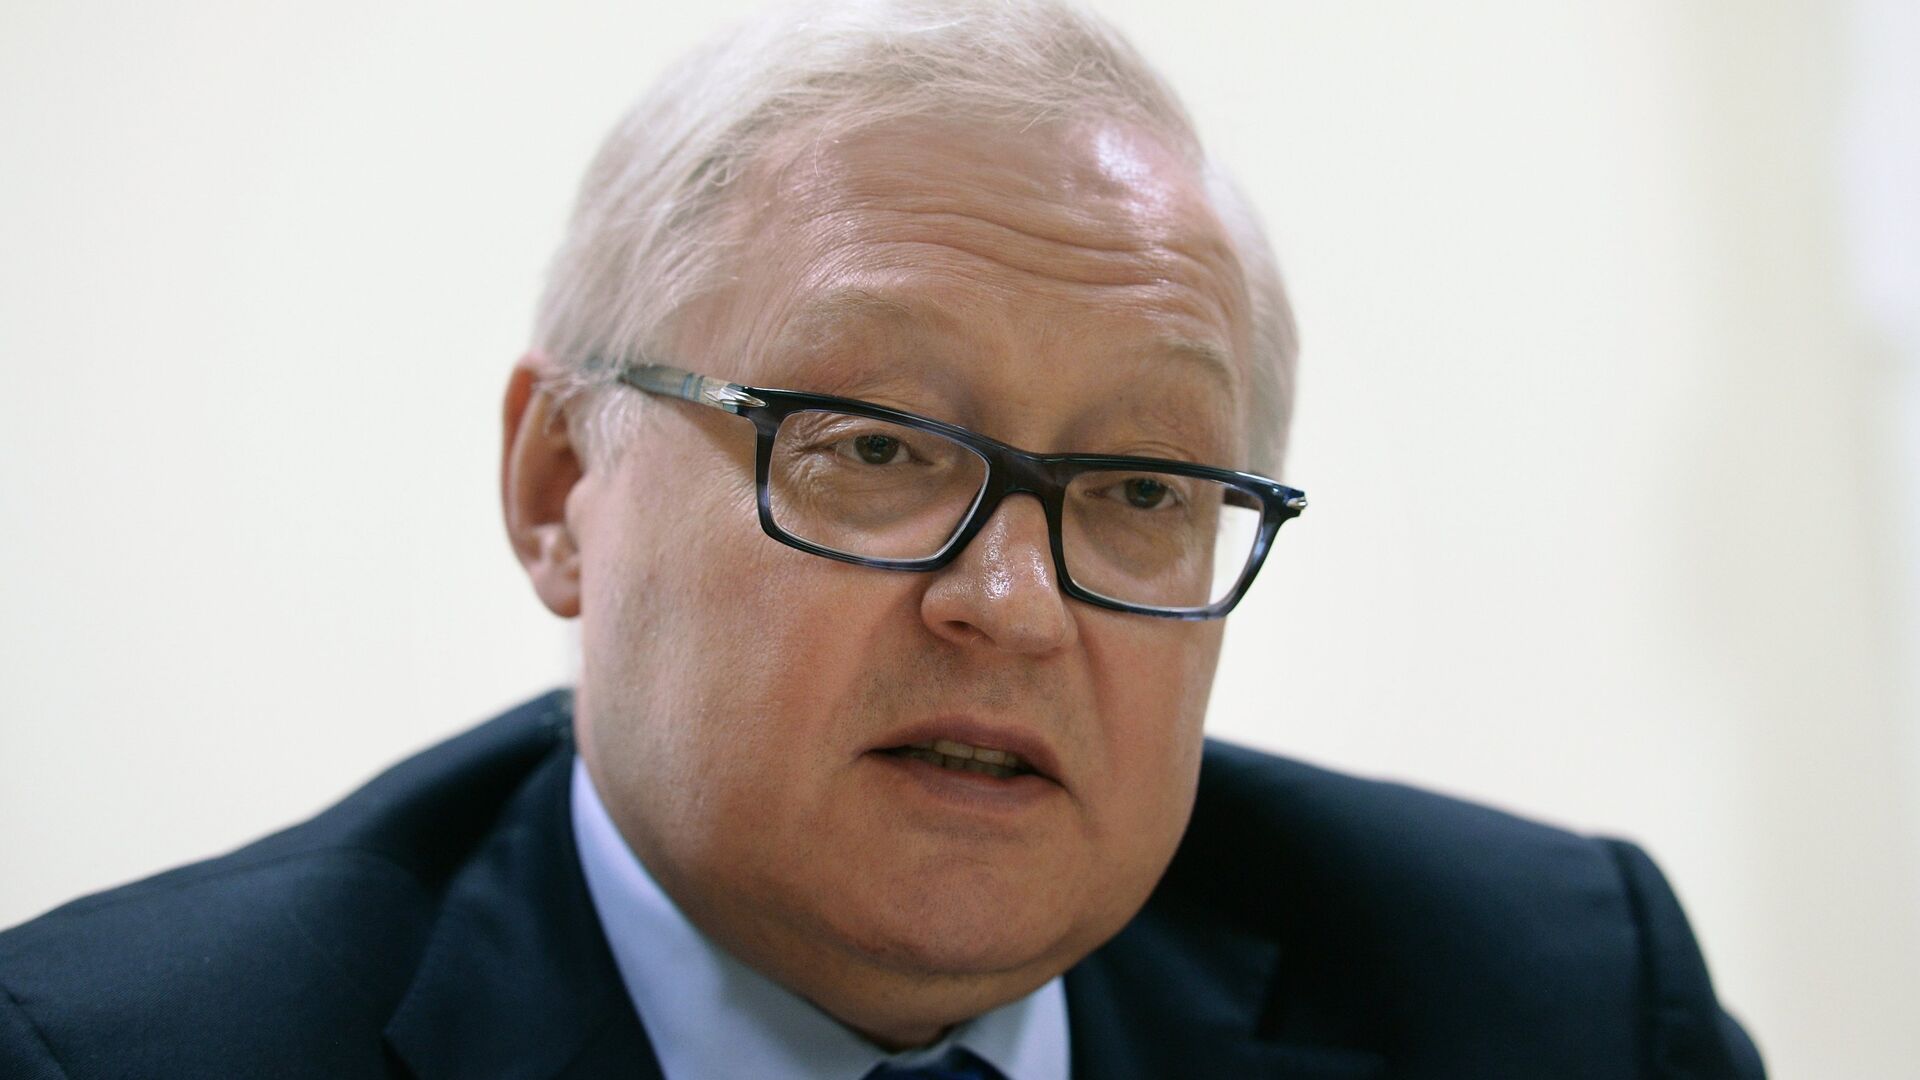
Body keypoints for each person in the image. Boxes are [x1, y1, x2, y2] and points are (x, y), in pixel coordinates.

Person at [0, 2, 1763, 1077]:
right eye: (872, 449)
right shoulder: (119, 1054)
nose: (1012, 603)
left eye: (1142, 491)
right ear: (558, 487)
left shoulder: (1558, 1011)